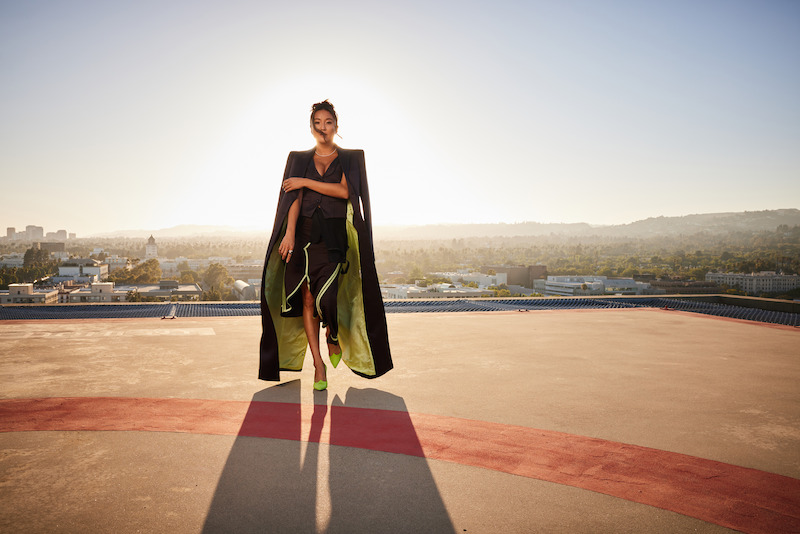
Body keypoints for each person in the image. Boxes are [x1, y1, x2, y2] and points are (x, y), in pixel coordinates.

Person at [259, 100, 392, 389]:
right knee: (307, 298)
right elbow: (293, 200)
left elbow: (344, 190)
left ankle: (333, 334)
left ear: (336, 126)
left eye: (328, 122)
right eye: (317, 122)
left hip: (333, 237)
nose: (323, 128)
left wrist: (304, 182)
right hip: (304, 235)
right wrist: (290, 232)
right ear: (311, 127)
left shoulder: (349, 158)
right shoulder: (299, 159)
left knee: (328, 297)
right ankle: (319, 367)